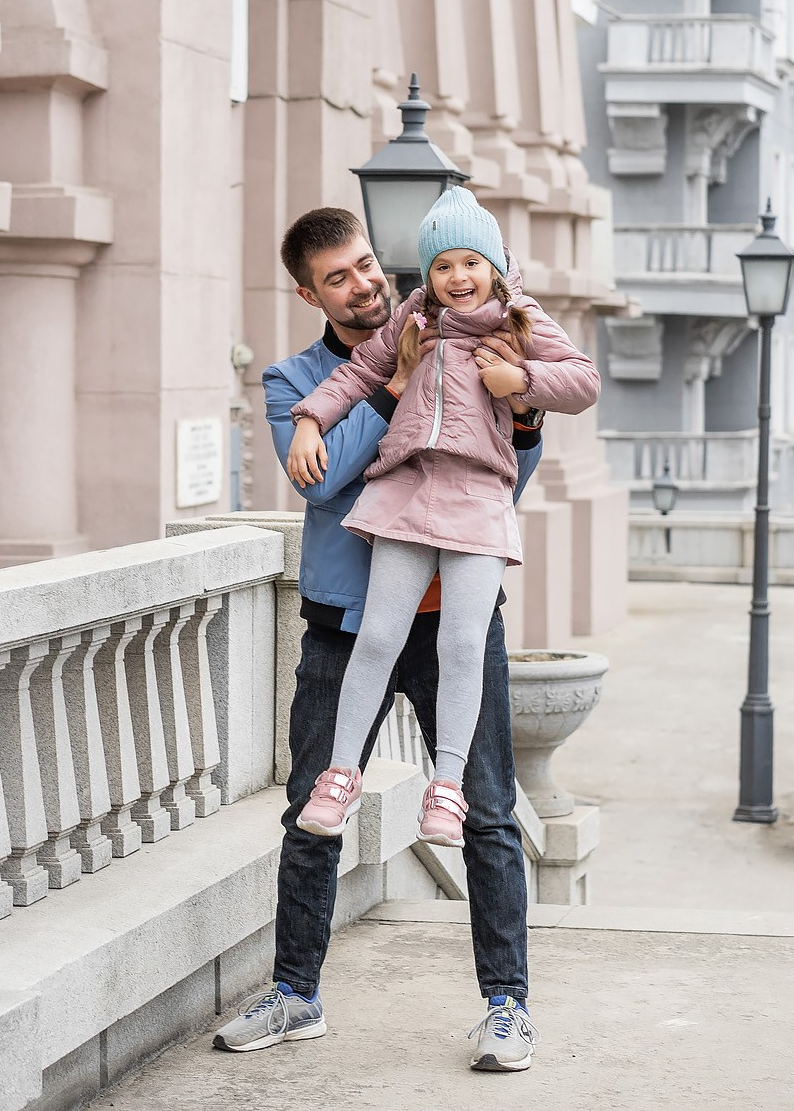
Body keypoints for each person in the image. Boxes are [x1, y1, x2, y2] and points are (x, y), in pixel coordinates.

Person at [213, 201, 547, 1072]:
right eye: (338, 277)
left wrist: (525, 411)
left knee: (489, 813)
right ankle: (296, 994)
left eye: (366, 264)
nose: (362, 283)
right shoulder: (293, 384)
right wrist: (397, 385)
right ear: (308, 292)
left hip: (453, 624)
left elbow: (509, 467)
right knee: (312, 809)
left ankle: (507, 1007)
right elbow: (324, 490)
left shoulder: (463, 335)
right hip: (343, 624)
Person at [286, 187, 598, 855]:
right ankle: (339, 777)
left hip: (478, 497)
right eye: (442, 266)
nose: (457, 278)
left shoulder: (518, 316)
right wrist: (309, 419)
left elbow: (583, 379)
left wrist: (523, 384)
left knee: (462, 644)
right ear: (426, 273)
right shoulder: (415, 319)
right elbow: (358, 374)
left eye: (469, 262)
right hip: (406, 490)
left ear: (492, 263)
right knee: (376, 636)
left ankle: (447, 786)